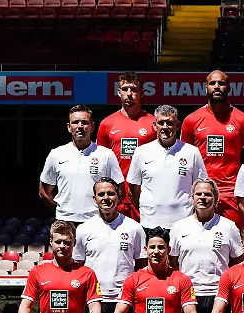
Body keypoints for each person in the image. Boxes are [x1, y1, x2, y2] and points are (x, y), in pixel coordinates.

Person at [72, 178, 146, 313]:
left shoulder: (134, 228)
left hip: (124, 301)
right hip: (93, 301)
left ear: (119, 196)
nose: (106, 198)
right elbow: (78, 268)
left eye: (111, 193)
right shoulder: (83, 229)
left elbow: (141, 268)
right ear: (94, 199)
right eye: (101, 194)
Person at [169, 178, 244, 313]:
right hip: (188, 296)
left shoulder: (229, 227)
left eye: (208, 194)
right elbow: (173, 262)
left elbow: (238, 262)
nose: (203, 197)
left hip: (218, 296)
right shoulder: (178, 227)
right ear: (192, 198)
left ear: (216, 200)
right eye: (198, 194)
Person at [180, 70, 244, 228]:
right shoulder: (191, 120)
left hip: (232, 194)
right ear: (206, 87)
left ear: (229, 88)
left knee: (232, 244)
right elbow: (185, 161)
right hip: (201, 193)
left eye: (221, 83)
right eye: (212, 83)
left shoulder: (243, 120)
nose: (217, 87)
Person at [110, 227, 198, 313]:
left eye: (161, 247)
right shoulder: (133, 279)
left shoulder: (182, 279)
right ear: (145, 250)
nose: (156, 252)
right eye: (152, 247)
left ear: (169, 250)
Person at [127, 105, 208, 232]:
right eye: (161, 123)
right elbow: (133, 189)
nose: (165, 127)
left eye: (169, 123)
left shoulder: (192, 152)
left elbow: (201, 186)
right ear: (154, 125)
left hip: (184, 223)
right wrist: (146, 209)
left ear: (177, 125)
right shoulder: (141, 152)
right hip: (150, 223)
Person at [39, 105, 123, 224]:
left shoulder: (106, 155)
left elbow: (120, 190)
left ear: (92, 126)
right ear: (69, 127)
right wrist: (61, 210)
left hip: (97, 221)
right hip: (65, 221)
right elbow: (43, 192)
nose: (80, 126)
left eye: (84, 122)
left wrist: (106, 212)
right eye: (75, 122)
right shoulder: (56, 154)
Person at [97, 71, 156, 220]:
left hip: (146, 196)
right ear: (119, 92)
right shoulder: (107, 124)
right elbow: (101, 163)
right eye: (125, 89)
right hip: (116, 198)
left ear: (141, 93)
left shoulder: (153, 123)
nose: (129, 94)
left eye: (134, 89)